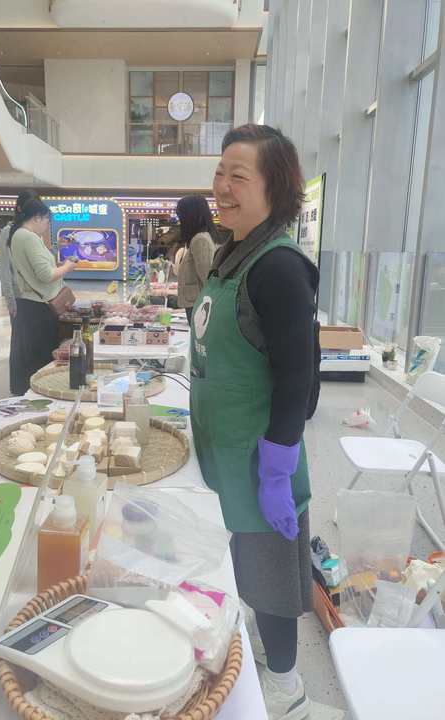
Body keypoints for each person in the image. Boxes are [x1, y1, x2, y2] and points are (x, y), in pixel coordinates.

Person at [189, 124, 319, 720]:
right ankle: (262, 655)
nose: (222, 186)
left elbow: (299, 380)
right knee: (243, 563)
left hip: (261, 458)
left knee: (270, 575)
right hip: (227, 449)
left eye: (238, 176)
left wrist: (276, 467)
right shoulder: (230, 255)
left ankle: (288, 689)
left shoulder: (279, 268)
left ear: (276, 187)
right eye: (220, 172)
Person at [8, 199, 77, 394]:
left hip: (30, 305)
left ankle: (29, 393)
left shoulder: (19, 235)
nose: (47, 225)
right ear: (37, 217)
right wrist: (68, 267)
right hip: (37, 307)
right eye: (47, 220)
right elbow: (46, 275)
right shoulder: (27, 237)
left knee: (28, 356)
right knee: (38, 358)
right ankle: (37, 394)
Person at [0, 190, 39, 394]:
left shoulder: (33, 232)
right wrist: (10, 299)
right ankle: (19, 388)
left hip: (37, 299)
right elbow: (4, 268)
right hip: (19, 298)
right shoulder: (9, 232)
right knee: (20, 344)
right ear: (20, 208)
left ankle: (34, 385)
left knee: (33, 344)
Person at [175, 194, 216, 324]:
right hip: (194, 301)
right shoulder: (199, 238)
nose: (180, 221)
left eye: (181, 216)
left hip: (197, 302)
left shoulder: (200, 240)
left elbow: (206, 276)